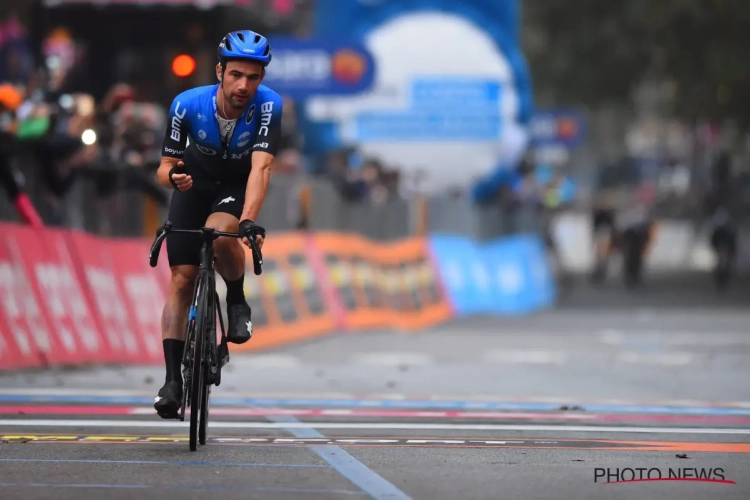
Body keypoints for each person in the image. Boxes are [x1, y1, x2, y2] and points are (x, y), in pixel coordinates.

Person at [153, 30, 283, 418]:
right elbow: (163, 167)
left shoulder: (269, 107)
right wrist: (173, 178)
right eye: (236, 75)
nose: (244, 86)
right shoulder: (186, 104)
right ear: (220, 72)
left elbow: (262, 167)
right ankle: (172, 381)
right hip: (194, 183)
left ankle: (237, 300)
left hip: (235, 186)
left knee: (222, 230)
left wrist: (248, 220)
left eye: (253, 78)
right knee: (180, 279)